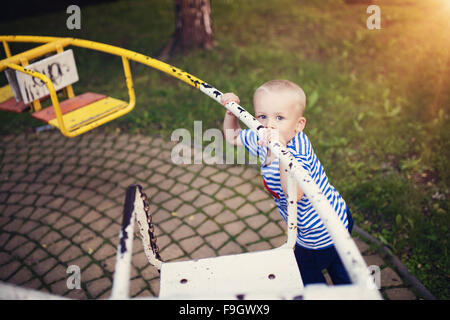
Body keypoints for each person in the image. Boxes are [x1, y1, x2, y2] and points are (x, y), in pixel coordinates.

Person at [221, 79, 354, 285]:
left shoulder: (297, 152)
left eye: (279, 117)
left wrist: (282, 152)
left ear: (298, 125)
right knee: (340, 266)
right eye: (262, 116)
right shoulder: (263, 139)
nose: (269, 124)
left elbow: (295, 194)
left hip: (319, 231)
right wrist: (232, 114)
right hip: (336, 217)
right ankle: (347, 287)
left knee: (303, 273)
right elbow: (233, 137)